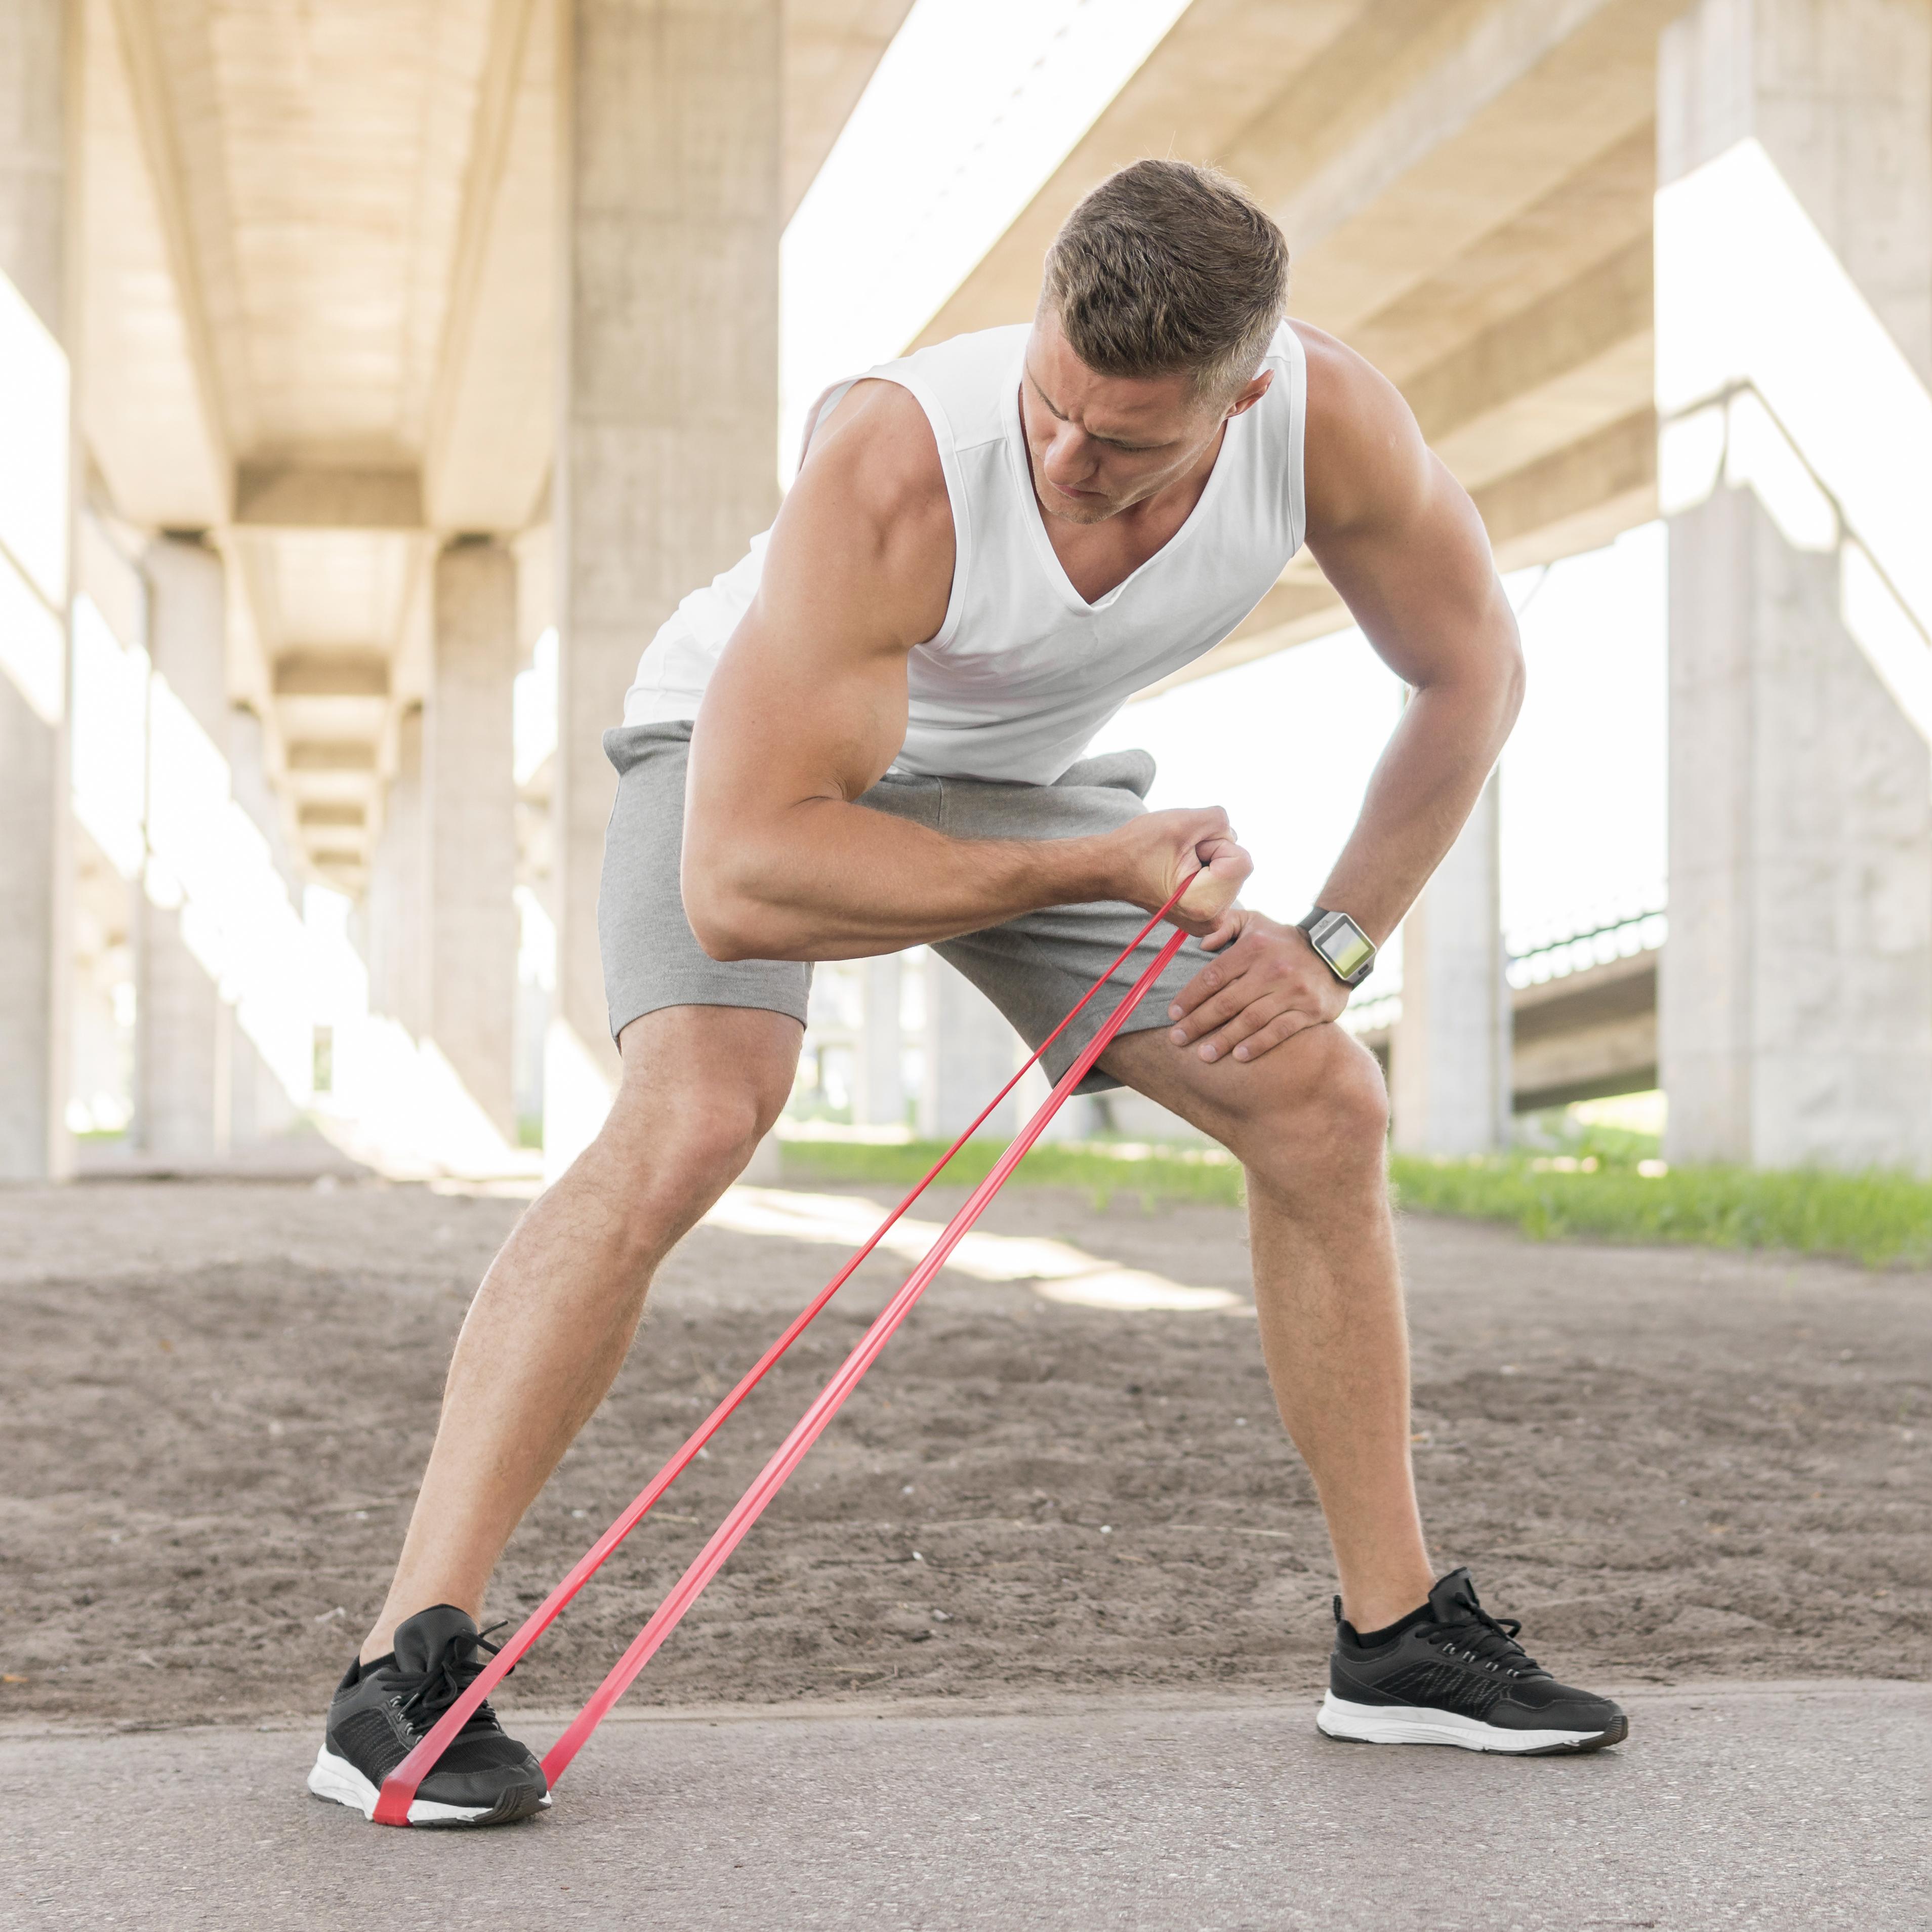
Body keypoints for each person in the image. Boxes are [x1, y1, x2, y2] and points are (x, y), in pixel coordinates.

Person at [308, 158, 1625, 1827]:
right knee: (705, 1106)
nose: (1070, 461)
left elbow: (1472, 667)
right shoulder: (891, 463)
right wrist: (1092, 865)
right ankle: (399, 1663)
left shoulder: (1330, 427)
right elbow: (748, 874)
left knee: (1319, 1099)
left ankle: (1393, 1642)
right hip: (753, 768)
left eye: (1130, 442)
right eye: (1052, 410)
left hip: (1024, 788)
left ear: (1244, 394)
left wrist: (1332, 942)